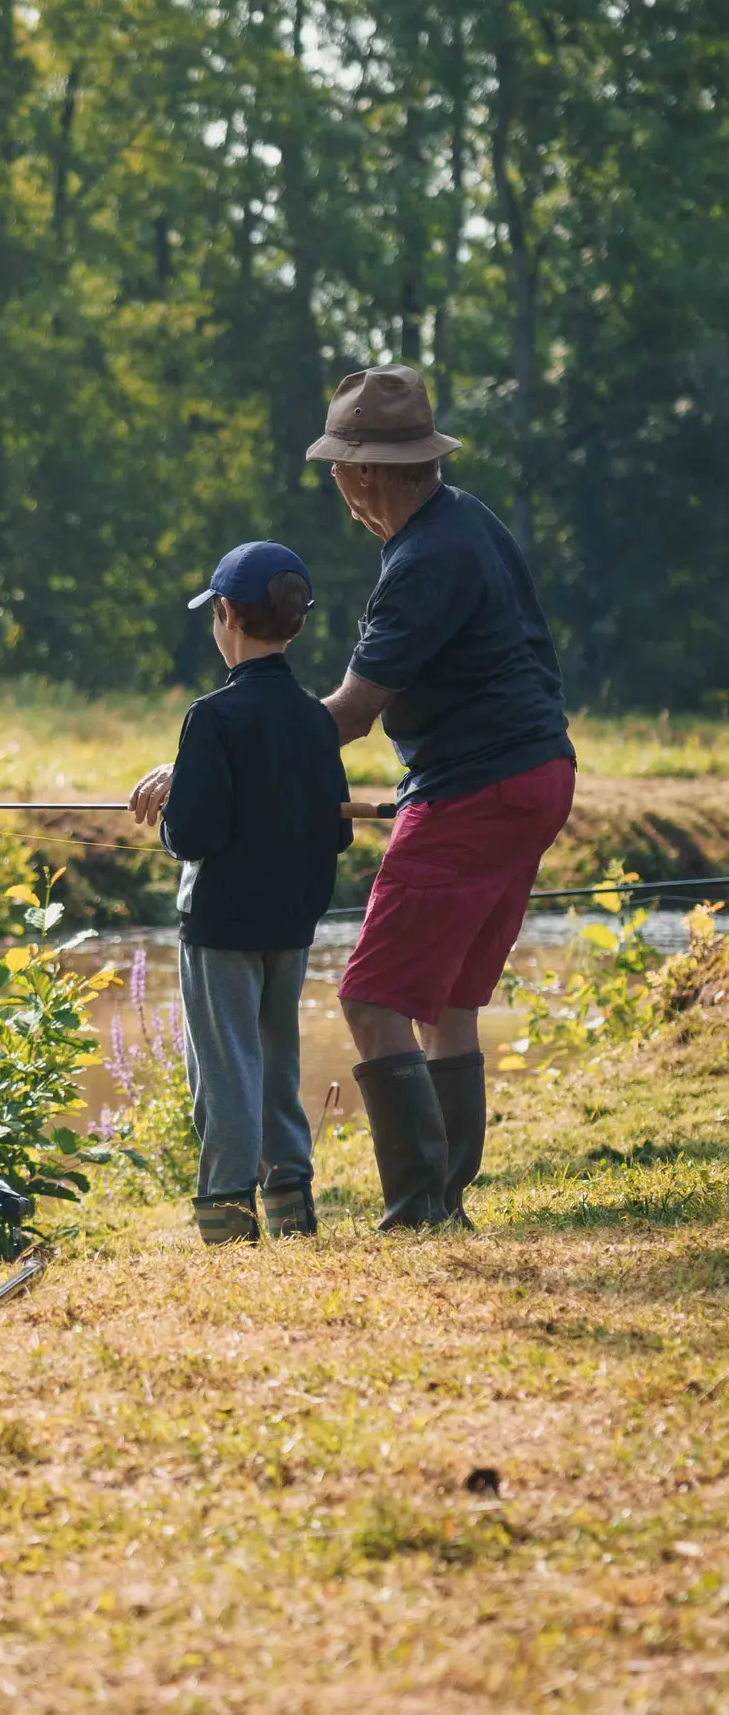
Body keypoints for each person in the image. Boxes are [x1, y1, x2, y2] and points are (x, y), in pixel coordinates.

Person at [306, 363, 575, 1229]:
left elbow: (351, 713)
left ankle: (420, 1210)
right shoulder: (466, 518)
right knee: (450, 1000)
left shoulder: (422, 559)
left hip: (477, 789)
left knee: (372, 997)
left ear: (366, 472)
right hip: (536, 774)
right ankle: (444, 1199)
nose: (337, 483)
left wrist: (222, 753)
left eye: (338, 466)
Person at [129, 541, 351, 1247]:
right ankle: (292, 1212)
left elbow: (191, 836)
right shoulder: (317, 719)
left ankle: (228, 1224)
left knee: (224, 1076)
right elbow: (338, 833)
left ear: (226, 614)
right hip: (292, 926)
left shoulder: (212, 716)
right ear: (295, 623)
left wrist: (170, 815)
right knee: (277, 1069)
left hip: (220, 930)